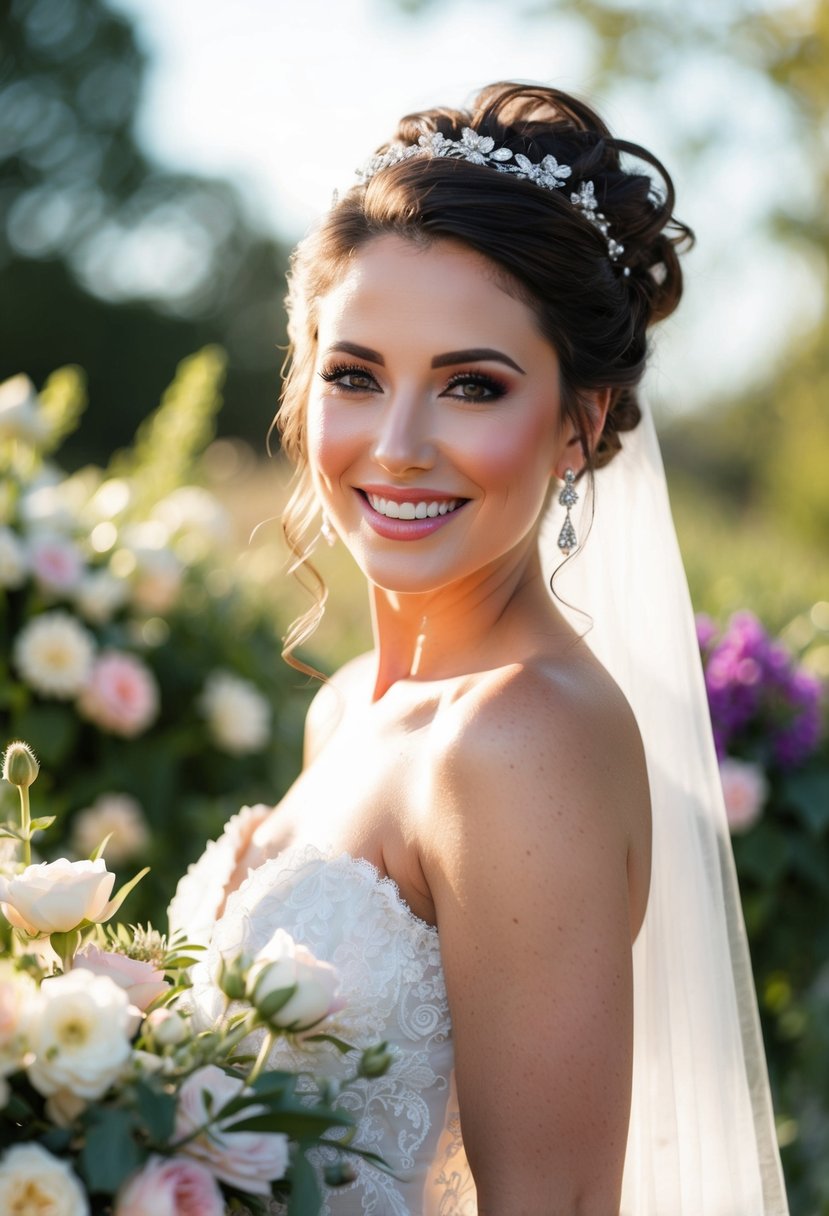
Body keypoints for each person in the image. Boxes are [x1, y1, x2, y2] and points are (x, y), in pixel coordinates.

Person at [171, 83, 789, 1214]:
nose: (399, 447)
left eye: (471, 385)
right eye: (355, 375)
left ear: (579, 422)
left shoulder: (518, 741)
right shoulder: (348, 706)